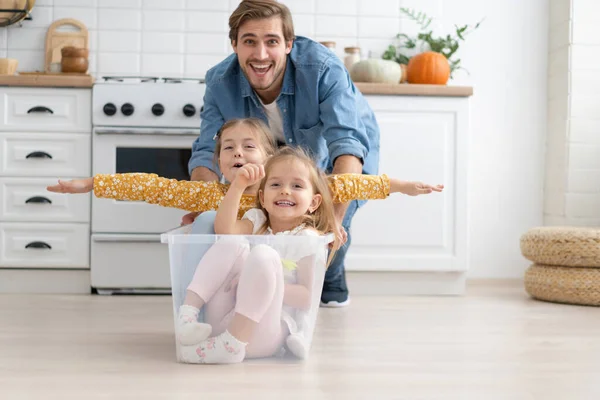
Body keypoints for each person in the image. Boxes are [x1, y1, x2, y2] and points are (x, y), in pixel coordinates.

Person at [185, 0, 382, 307]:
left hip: (340, 156)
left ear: (289, 43)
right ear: (234, 44)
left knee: (324, 225)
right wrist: (200, 202)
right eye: (249, 41)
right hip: (269, 158)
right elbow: (207, 150)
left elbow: (346, 147)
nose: (261, 55)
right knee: (268, 220)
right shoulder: (219, 82)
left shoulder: (323, 69)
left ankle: (330, 281)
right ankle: (274, 287)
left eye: (272, 42)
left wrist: (330, 228)